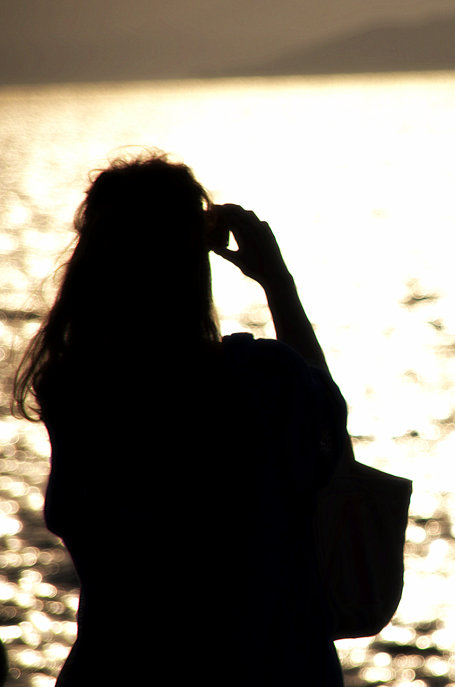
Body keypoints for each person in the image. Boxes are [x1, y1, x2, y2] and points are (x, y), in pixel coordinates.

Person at [13, 154, 346, 685]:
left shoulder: (76, 392)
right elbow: (330, 429)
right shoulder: (261, 382)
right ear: (194, 262)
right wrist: (277, 282)